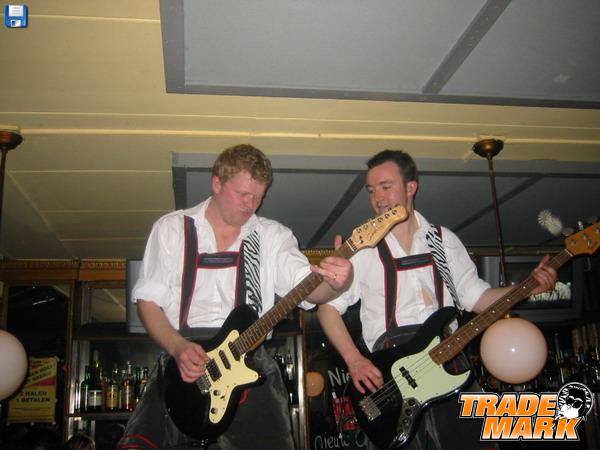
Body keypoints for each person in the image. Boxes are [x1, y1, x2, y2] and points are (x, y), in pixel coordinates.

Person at [317, 149, 557, 450]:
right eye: (371, 190)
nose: (377, 197)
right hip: (392, 374)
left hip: (449, 359)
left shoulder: (443, 240)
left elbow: (478, 298)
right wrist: (354, 360)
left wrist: (528, 287)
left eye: (386, 186)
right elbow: (327, 308)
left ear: (411, 187)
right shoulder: (363, 248)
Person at [119, 144, 352, 450]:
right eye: (243, 194)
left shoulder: (273, 236)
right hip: (183, 364)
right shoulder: (172, 228)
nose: (251, 205)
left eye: (259, 196)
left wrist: (335, 284)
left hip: (250, 360)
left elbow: (307, 287)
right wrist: (177, 346)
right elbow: (148, 302)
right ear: (217, 183)